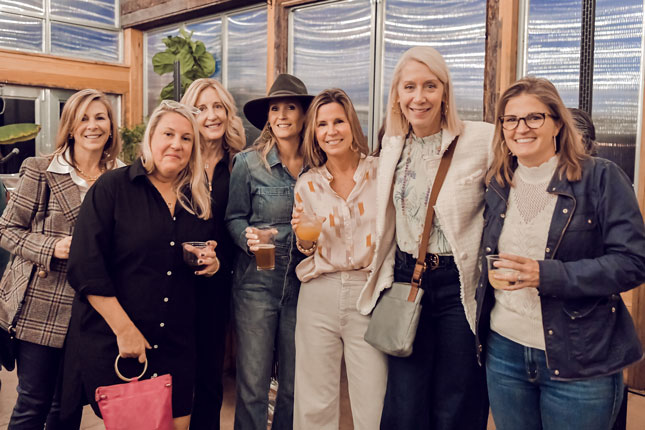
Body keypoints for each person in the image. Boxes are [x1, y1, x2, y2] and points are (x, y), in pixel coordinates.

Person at [476, 76, 645, 430]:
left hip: (580, 357)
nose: (521, 128)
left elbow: (633, 262)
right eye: (510, 119)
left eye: (534, 117)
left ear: (556, 122)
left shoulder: (599, 177)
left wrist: (546, 275)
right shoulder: (498, 181)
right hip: (505, 351)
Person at [65, 100, 220, 430]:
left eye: (186, 138)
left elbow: (198, 259)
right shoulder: (113, 188)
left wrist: (212, 263)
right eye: (168, 133)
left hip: (177, 344)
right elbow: (84, 265)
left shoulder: (197, 199)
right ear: (151, 138)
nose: (176, 144)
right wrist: (125, 331)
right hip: (122, 344)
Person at [362, 46, 494, 429]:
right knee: (405, 397)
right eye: (410, 87)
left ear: (445, 92)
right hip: (408, 277)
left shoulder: (481, 139)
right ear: (397, 95)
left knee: (457, 395)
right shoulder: (391, 146)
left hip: (457, 282)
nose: (419, 97)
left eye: (429, 86)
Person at [0, 88, 123, 429]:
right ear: (70, 126)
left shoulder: (121, 178)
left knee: (66, 408)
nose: (92, 126)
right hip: (41, 306)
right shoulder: (40, 169)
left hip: (91, 310)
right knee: (32, 404)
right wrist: (53, 248)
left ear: (111, 127)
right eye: (83, 118)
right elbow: (6, 230)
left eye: (100, 117)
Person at [291, 88, 387, 429]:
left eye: (338, 121)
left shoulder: (380, 173)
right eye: (322, 125)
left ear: (351, 125)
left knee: (373, 399)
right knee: (315, 400)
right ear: (314, 134)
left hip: (368, 292)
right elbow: (306, 248)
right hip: (320, 292)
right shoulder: (308, 184)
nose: (331, 131)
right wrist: (304, 240)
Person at [225, 73, 312, 430]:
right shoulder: (248, 163)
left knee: (294, 386)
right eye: (275, 108)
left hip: (305, 289)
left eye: (290, 107)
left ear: (304, 114)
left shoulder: (318, 166)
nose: (281, 115)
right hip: (256, 289)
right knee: (253, 387)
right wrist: (245, 235)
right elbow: (232, 217)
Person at [181, 78, 245, 430]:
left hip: (219, 283)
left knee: (209, 375)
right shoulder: (177, 159)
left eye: (218, 106)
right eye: (201, 108)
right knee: (175, 374)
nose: (211, 115)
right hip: (174, 283)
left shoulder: (239, 164)